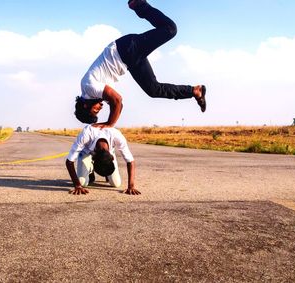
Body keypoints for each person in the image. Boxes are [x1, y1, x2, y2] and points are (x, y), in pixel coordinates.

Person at [75, 0, 206, 127]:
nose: (100, 107)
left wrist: (109, 124)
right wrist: (109, 121)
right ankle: (195, 91)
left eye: (96, 110)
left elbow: (117, 100)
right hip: (129, 60)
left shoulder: (88, 87)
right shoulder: (93, 94)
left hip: (125, 50)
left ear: (85, 105)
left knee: (170, 29)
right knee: (153, 90)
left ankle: (139, 5)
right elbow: (118, 105)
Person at [65, 124, 140, 195]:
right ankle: (90, 169)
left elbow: (130, 161)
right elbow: (69, 162)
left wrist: (131, 186)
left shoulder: (117, 136)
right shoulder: (85, 135)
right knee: (82, 183)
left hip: (104, 155)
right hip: (85, 153)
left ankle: (106, 173)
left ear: (112, 157)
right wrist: (77, 185)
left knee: (116, 184)